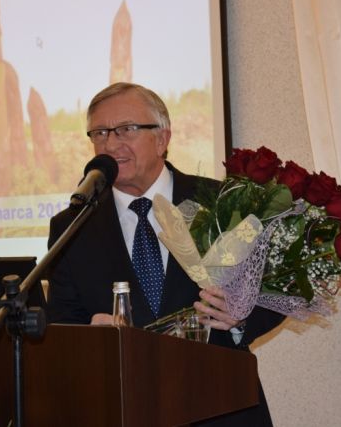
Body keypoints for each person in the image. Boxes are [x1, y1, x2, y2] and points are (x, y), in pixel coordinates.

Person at [46, 82, 285, 426]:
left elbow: (275, 291)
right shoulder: (72, 227)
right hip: (125, 410)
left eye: (126, 129)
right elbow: (62, 322)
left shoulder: (223, 202)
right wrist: (89, 337)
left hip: (223, 405)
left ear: (162, 138)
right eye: (100, 133)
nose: (110, 144)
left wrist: (240, 317)